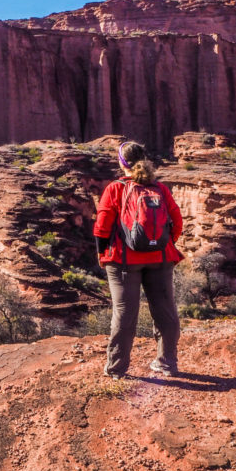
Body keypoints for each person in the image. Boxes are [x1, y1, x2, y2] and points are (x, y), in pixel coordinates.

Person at [93, 141, 183, 379]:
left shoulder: (115, 188)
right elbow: (177, 222)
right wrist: (163, 244)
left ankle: (116, 369)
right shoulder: (160, 189)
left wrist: (103, 254)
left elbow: (102, 228)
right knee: (166, 311)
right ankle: (167, 363)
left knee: (124, 313)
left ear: (122, 163)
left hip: (124, 261)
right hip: (161, 258)